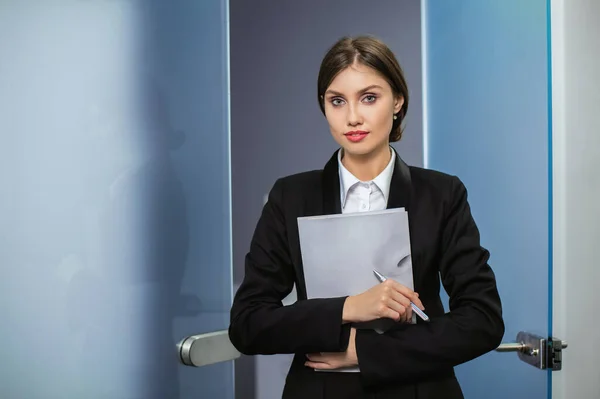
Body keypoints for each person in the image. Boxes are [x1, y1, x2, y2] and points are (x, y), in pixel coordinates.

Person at [228, 35, 504, 399]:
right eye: (337, 101)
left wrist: (366, 353)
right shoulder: (290, 197)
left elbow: (482, 320)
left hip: (419, 390)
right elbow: (248, 324)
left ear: (398, 102)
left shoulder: (442, 194)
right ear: (323, 106)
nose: (353, 117)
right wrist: (348, 307)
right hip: (319, 389)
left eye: (369, 97)